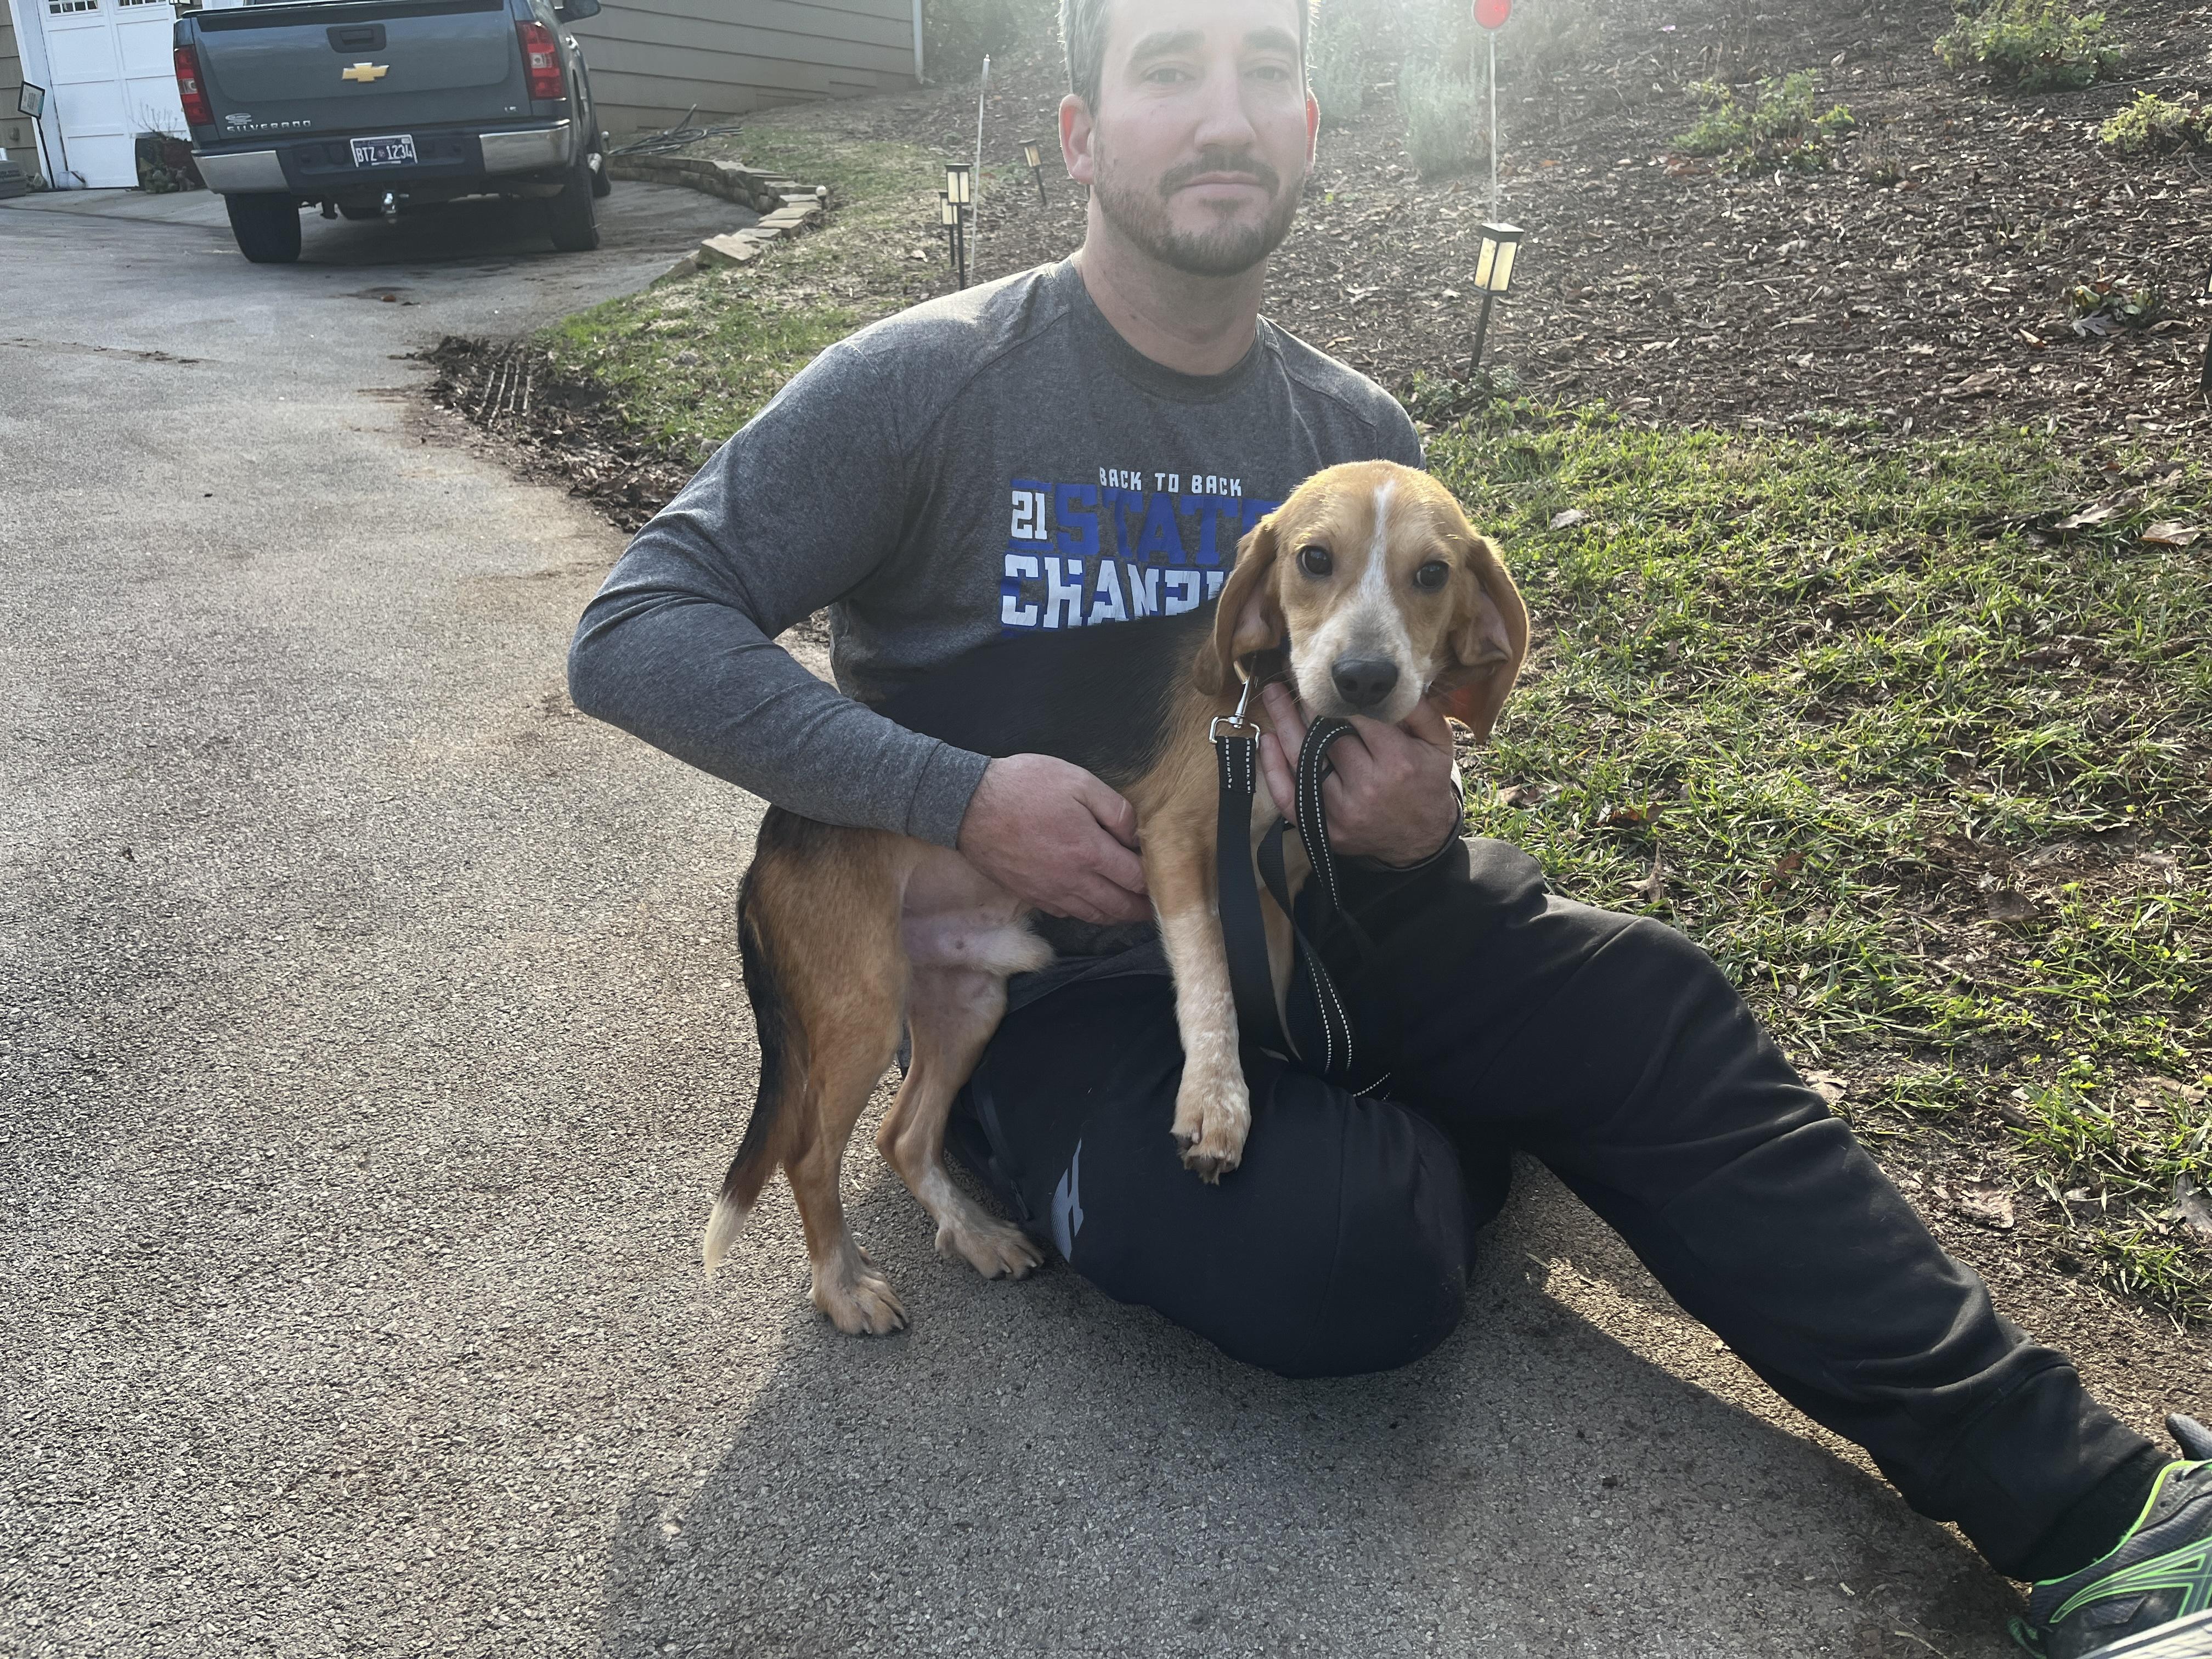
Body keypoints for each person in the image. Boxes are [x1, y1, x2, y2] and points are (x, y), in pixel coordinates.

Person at [565, 0, 2212, 1650]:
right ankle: (1468, 1138)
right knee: (1351, 1257)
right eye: (1166, 72)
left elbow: (1438, 714)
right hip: (1058, 983)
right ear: (1077, 137)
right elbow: (634, 632)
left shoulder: (1353, 436)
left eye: (1266, 74)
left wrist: (1429, 826)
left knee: (1654, 996)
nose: (1223, 116)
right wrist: (960, 795)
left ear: (1307, 134)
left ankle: (2099, 1515)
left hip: (1335, 918)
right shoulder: (928, 383)